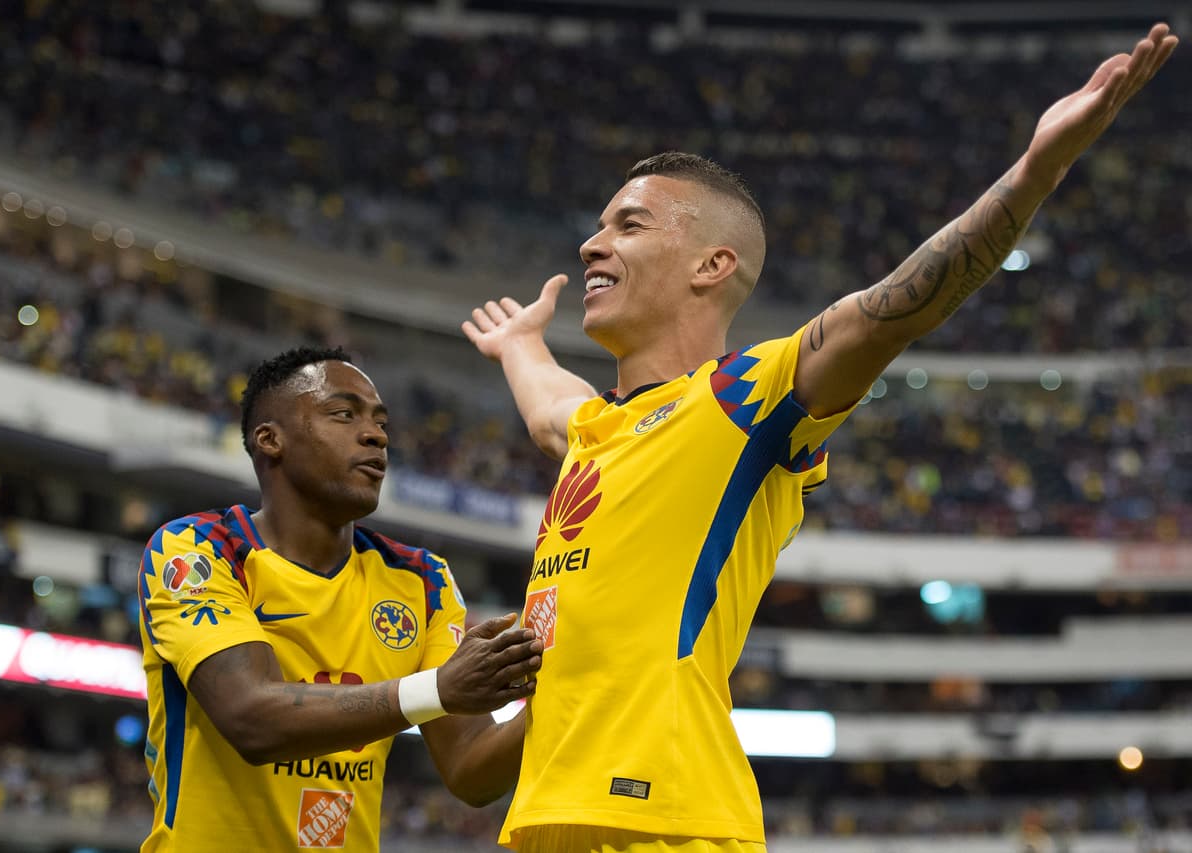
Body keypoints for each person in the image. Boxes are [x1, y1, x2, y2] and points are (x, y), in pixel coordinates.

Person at [462, 24, 1178, 853]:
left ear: (710, 265)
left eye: (628, 225)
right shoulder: (599, 431)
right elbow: (555, 409)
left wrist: (1035, 171)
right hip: (541, 820)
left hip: (666, 820)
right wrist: (520, 344)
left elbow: (897, 309)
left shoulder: (745, 397)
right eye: (599, 225)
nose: (592, 242)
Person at [136, 346, 542, 851]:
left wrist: (566, 693)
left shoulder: (422, 579)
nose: (375, 435)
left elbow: (471, 772)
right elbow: (251, 717)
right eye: (343, 414)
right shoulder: (200, 549)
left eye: (380, 422)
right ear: (271, 439)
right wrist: (435, 689)